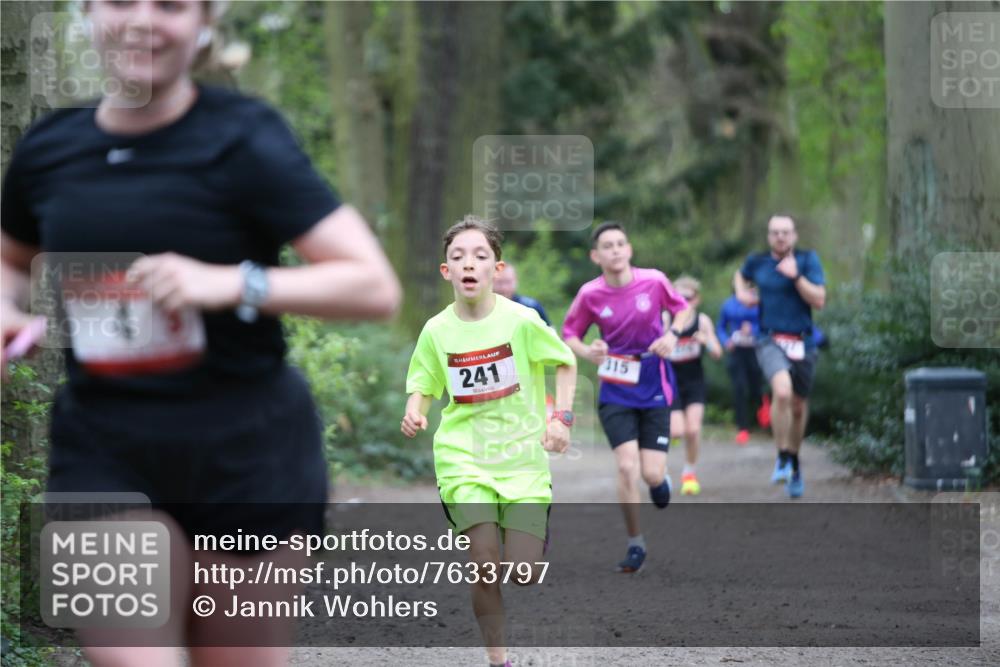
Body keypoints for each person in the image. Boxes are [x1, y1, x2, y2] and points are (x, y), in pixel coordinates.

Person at [0, 1, 401, 665]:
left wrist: (233, 283)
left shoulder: (243, 138)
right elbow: (11, 260)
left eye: (170, 5)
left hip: (246, 454)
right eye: (121, 0)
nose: (142, 20)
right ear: (89, 12)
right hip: (104, 449)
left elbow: (373, 286)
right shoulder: (51, 148)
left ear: (205, 22)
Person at [401, 216, 576, 667]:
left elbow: (565, 361)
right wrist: (416, 409)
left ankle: (529, 541)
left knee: (523, 572)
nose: (468, 263)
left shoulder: (522, 321)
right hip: (464, 460)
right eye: (458, 257)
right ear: (446, 271)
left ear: (497, 269)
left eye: (480, 256)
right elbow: (424, 381)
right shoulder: (436, 330)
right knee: (483, 563)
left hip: (521, 460)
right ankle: (498, 660)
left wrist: (561, 418)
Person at [563, 222, 692, 573]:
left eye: (620, 243)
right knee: (625, 466)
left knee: (650, 474)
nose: (615, 250)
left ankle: (660, 480)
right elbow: (569, 333)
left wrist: (672, 334)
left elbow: (682, 308)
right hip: (616, 388)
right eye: (607, 246)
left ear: (629, 249)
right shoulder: (590, 294)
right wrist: (588, 351)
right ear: (596, 256)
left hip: (653, 384)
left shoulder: (654, 281)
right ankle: (636, 543)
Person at [734, 214, 826, 498]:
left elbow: (819, 300)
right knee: (782, 392)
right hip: (769, 339)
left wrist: (795, 276)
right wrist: (742, 293)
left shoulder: (808, 260)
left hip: (803, 342)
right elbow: (741, 274)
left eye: (785, 232)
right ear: (769, 236)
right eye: (775, 232)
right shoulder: (757, 261)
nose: (780, 237)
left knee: (798, 405)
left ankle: (794, 462)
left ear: (794, 235)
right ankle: (782, 456)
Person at [664, 276, 722, 495]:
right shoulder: (666, 319)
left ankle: (689, 473)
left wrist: (706, 341)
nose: (683, 302)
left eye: (687, 298)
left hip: (694, 381)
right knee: (677, 430)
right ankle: (670, 440)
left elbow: (717, 353)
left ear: (696, 299)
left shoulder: (702, 321)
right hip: (671, 381)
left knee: (693, 429)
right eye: (677, 297)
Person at [717, 281, 766, 445]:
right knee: (739, 388)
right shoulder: (729, 304)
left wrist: (753, 329)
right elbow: (721, 327)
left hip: (755, 351)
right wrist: (726, 341)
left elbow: (766, 324)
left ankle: (763, 408)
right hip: (736, 352)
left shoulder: (759, 303)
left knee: (756, 387)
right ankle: (743, 428)